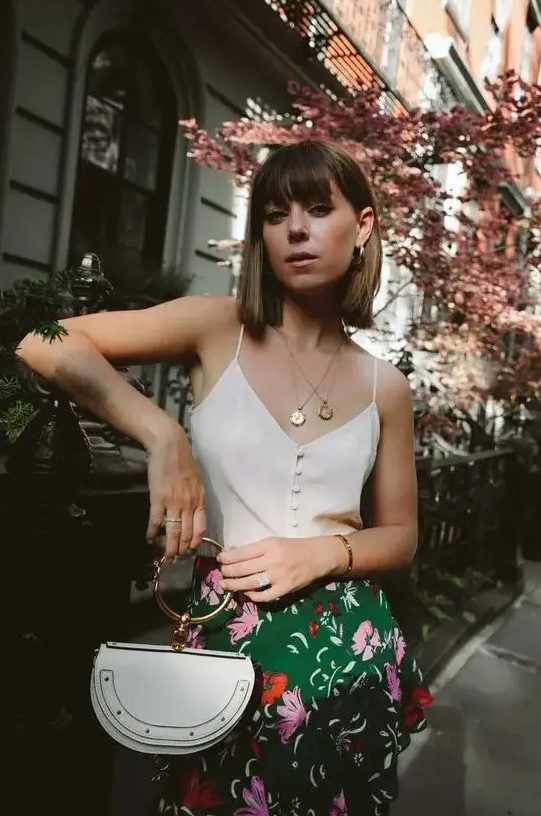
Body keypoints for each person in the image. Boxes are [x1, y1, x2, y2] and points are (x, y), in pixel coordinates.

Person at [17, 139, 432, 815]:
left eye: (318, 208)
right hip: (225, 642)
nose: (294, 228)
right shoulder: (218, 329)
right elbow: (43, 341)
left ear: (361, 228)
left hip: (350, 657)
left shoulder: (386, 385)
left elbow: (402, 536)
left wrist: (321, 552)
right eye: (274, 214)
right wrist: (161, 432)